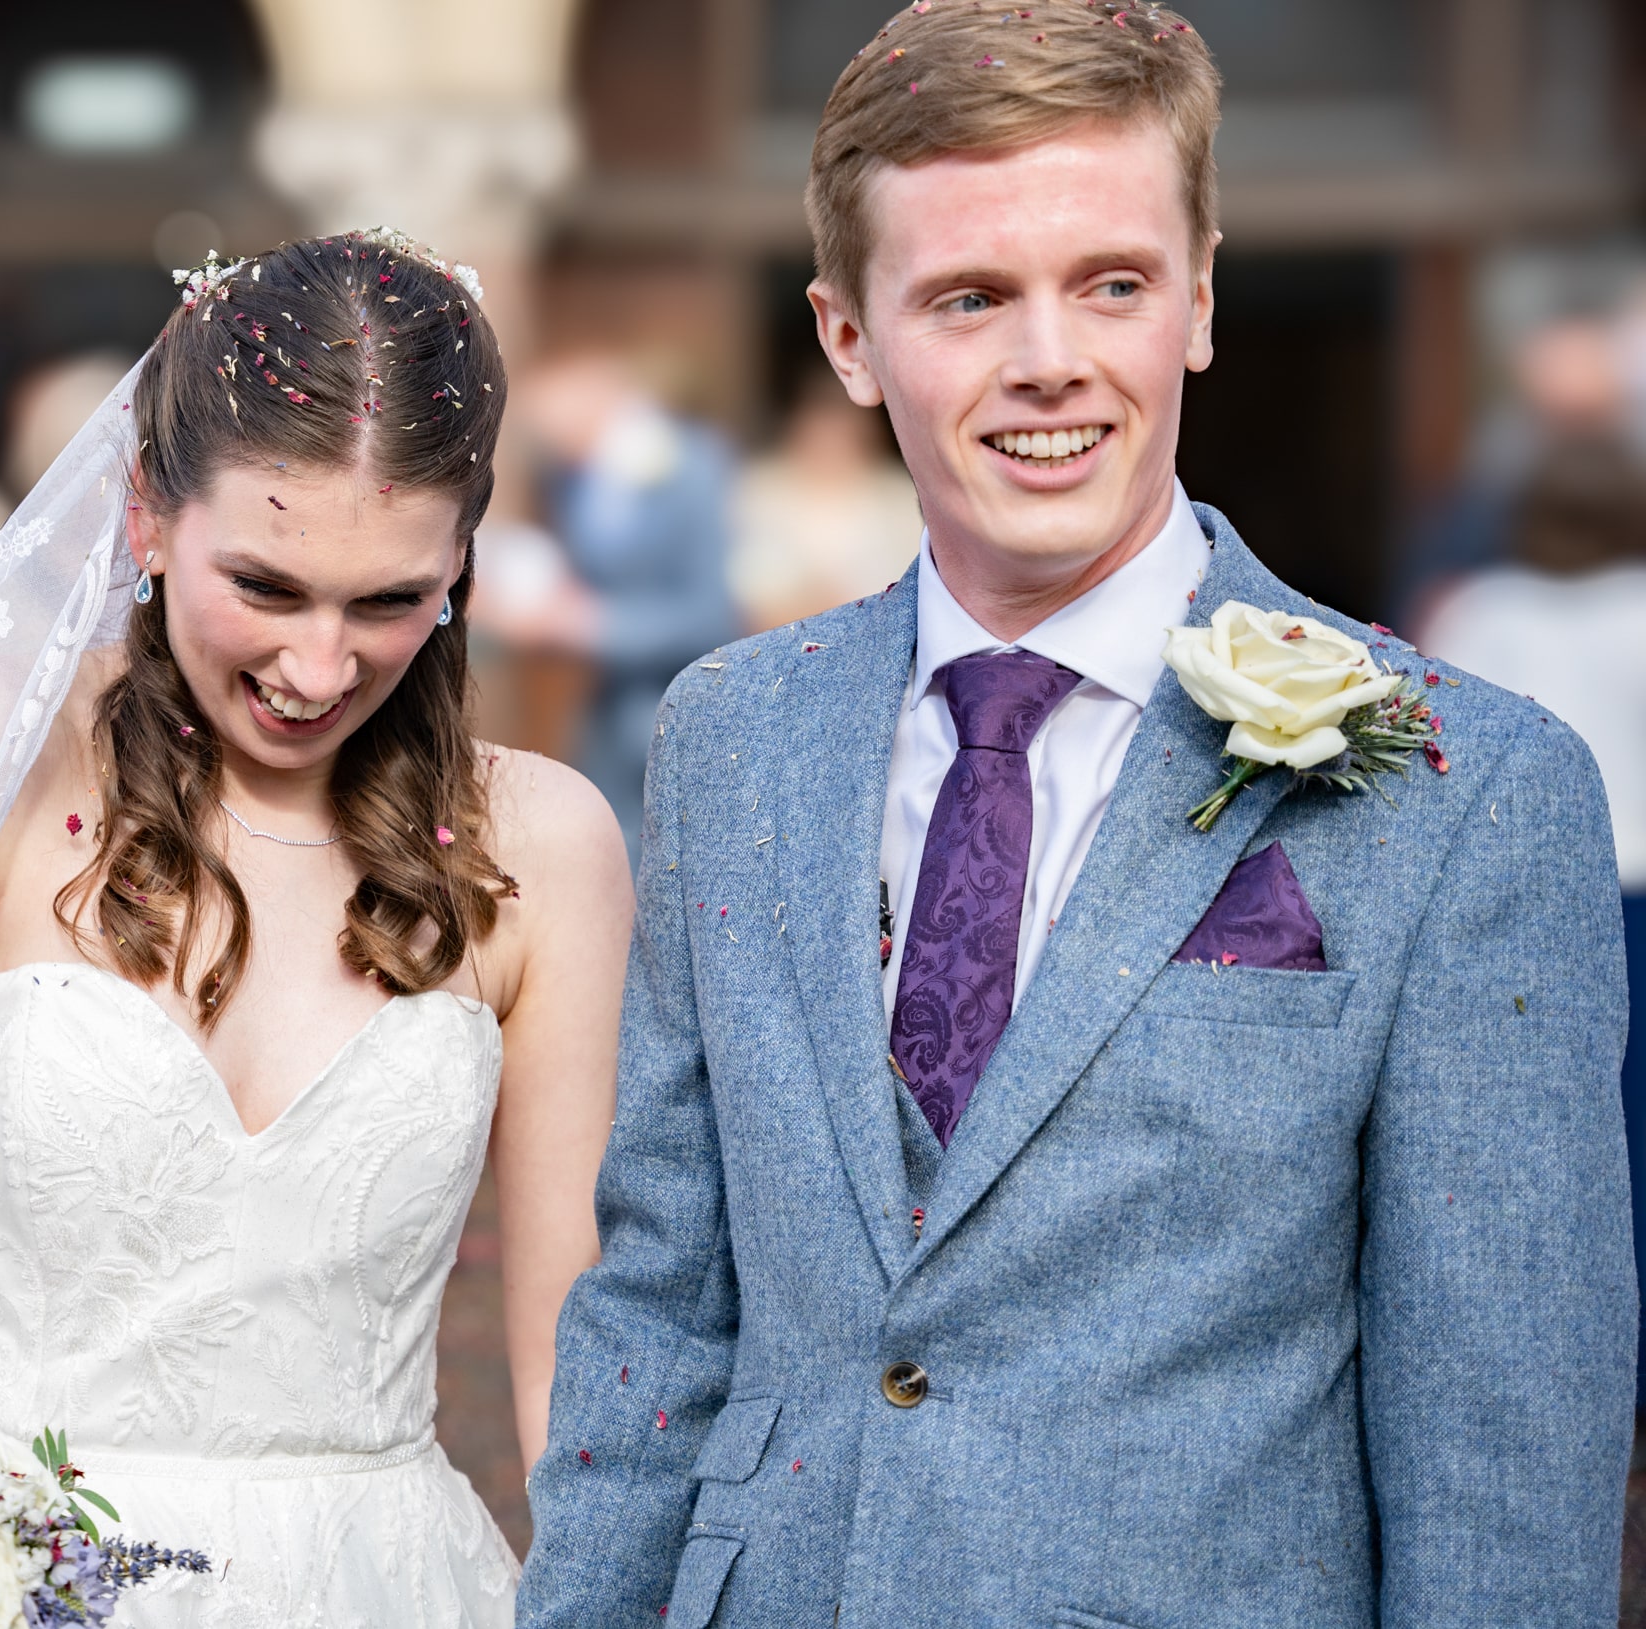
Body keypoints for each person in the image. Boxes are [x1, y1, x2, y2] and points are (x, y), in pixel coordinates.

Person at [517, 6, 1634, 1627]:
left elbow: (1500, 1463)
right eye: (967, 297)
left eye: (1107, 281)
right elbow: (661, 1313)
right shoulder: (730, 738)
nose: (1048, 357)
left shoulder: (1470, 787)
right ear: (844, 338)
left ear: (1195, 294)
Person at [0, 235, 632, 1627]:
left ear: (461, 557)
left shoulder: (547, 848)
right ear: (146, 512)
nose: (318, 668)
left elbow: (583, 1351)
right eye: (264, 585)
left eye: (388, 600)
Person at [1417, 429, 1646, 1414]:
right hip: (1637, 896)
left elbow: (1431, 752)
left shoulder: (1479, 610)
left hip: (1523, 896)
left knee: (1536, 1136)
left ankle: (1552, 1373)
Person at [500, 351, 739, 858]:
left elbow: (711, 613)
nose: (548, 439)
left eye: (555, 421)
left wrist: (592, 625)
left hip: (685, 715)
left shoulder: (692, 467)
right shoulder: (567, 478)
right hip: (602, 720)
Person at [729, 366, 923, 632]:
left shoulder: (898, 498)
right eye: (821, 429)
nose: (830, 442)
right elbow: (743, 588)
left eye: (842, 430)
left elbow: (910, 589)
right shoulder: (762, 490)